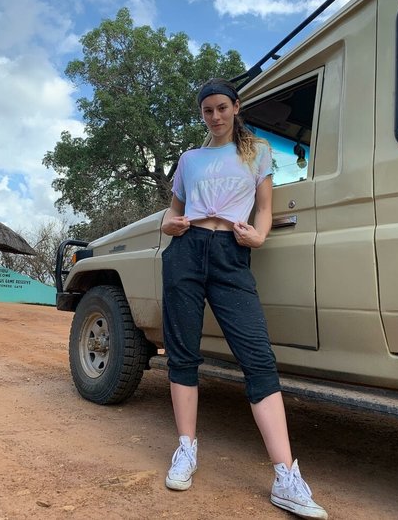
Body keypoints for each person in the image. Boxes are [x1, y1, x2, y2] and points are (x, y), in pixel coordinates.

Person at [161, 77, 327, 520]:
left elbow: (265, 208)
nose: (214, 116)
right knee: (182, 351)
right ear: (202, 114)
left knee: (257, 357)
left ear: (236, 107)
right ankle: (186, 449)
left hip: (231, 253)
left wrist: (260, 236)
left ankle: (286, 476)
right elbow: (172, 213)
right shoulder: (189, 159)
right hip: (185, 251)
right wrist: (168, 226)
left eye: (221, 107)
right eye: (207, 110)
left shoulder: (258, 152)